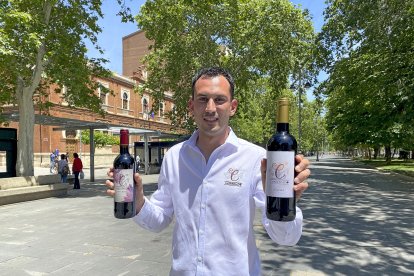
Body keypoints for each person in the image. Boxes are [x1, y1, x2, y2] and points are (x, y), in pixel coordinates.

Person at [106, 67, 310, 275]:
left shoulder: (257, 159)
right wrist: (138, 201)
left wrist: (287, 202)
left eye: (219, 100)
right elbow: (159, 220)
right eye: (202, 99)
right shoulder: (174, 158)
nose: (210, 108)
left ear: (233, 107)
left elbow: (286, 238)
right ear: (191, 106)